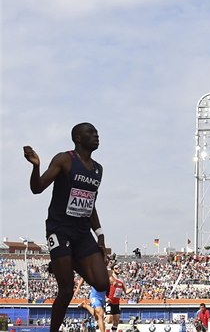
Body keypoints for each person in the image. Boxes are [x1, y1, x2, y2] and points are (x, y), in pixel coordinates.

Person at [23, 122, 109, 332]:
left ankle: (64, 261)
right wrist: (36, 166)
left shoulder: (98, 169)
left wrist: (100, 236)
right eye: (91, 132)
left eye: (97, 132)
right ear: (77, 138)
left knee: (102, 284)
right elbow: (37, 188)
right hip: (59, 229)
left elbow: (90, 205)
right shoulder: (65, 159)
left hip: (81, 232)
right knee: (67, 290)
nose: (96, 135)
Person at [105, 266, 128, 332]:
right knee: (109, 319)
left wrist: (133, 289)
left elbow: (126, 291)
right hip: (109, 301)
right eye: (116, 268)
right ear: (113, 270)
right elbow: (103, 289)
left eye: (119, 268)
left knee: (117, 320)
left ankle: (113, 331)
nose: (118, 269)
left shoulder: (121, 280)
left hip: (116, 303)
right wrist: (105, 298)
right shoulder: (110, 278)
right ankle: (101, 322)